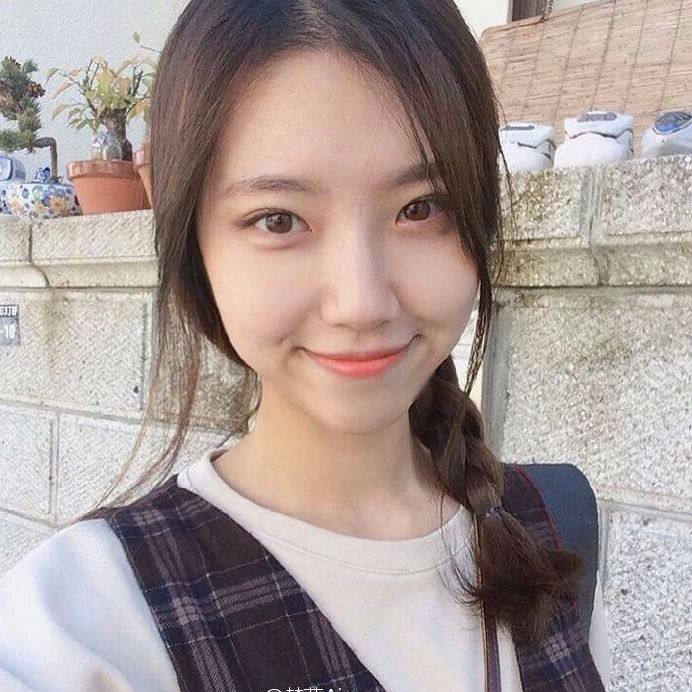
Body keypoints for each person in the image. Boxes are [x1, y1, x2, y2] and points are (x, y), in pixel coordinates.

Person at [0, 1, 612, 690]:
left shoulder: (550, 530)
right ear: (196, 249)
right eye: (279, 220)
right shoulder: (81, 624)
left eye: (420, 208)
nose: (361, 303)